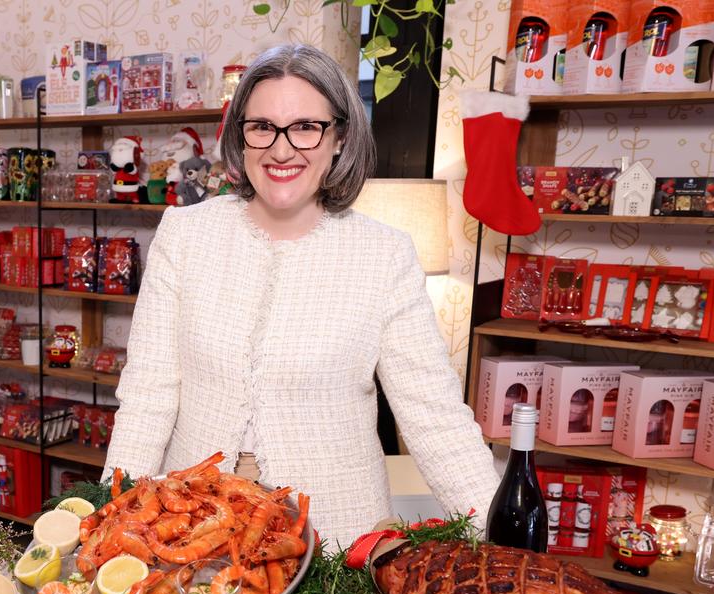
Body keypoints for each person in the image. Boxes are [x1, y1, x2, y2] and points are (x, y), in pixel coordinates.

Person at [103, 43, 499, 550]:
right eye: (262, 126)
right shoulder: (184, 234)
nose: (281, 149)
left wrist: (503, 545)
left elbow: (433, 416)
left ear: (339, 138)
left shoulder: (384, 254)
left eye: (306, 127)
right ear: (241, 137)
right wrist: (109, 524)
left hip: (339, 546)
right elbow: (147, 396)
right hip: (193, 538)